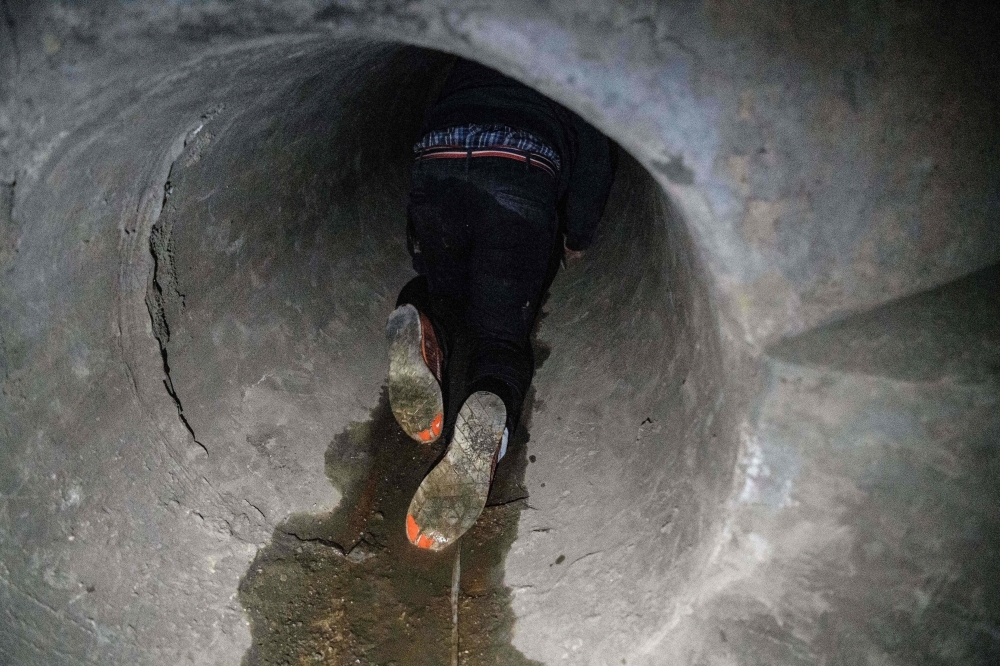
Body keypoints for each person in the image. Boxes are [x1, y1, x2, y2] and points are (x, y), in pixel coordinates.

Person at [386, 58, 614, 551]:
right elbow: (595, 155)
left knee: (445, 290)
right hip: (521, 172)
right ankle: (489, 414)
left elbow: (435, 108)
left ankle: (422, 324)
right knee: (498, 336)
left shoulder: (477, 45)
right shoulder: (578, 61)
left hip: (439, 161)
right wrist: (577, 235)